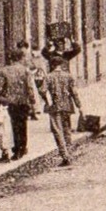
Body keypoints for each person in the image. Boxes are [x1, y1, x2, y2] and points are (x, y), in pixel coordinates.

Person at [0, 44, 38, 160]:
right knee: (23, 125)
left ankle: (16, 150)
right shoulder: (25, 71)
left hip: (10, 102)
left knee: (13, 126)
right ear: (20, 58)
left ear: (11, 59)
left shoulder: (4, 71)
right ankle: (22, 148)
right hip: (23, 101)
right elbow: (29, 87)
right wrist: (32, 100)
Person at [42, 32, 82, 166]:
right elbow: (74, 92)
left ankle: (65, 156)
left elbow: (43, 91)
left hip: (54, 106)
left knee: (58, 131)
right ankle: (69, 153)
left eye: (61, 43)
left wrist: (47, 101)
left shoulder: (48, 76)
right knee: (66, 129)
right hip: (67, 104)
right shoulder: (69, 75)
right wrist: (79, 106)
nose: (60, 45)